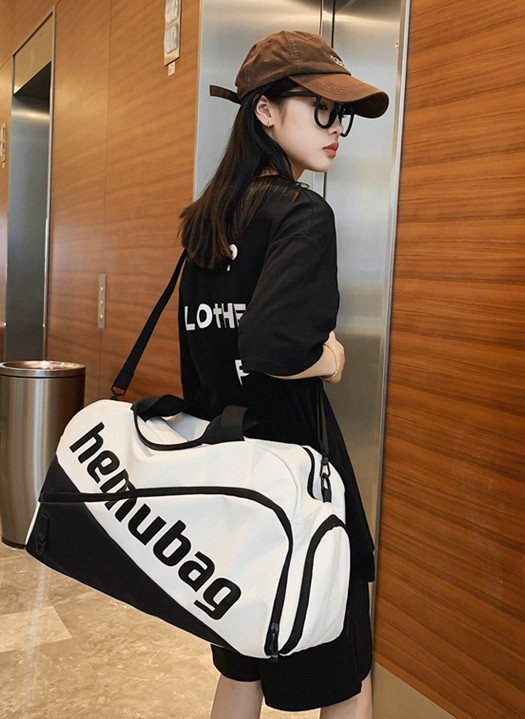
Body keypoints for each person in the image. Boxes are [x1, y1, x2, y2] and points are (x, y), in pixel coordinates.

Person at [178, 29, 389, 718]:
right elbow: (272, 346)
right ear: (265, 110)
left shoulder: (206, 222)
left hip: (230, 474)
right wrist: (331, 358)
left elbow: (202, 365)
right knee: (346, 675)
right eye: (320, 107)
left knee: (243, 665)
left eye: (341, 114)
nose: (335, 128)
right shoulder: (303, 213)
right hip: (301, 481)